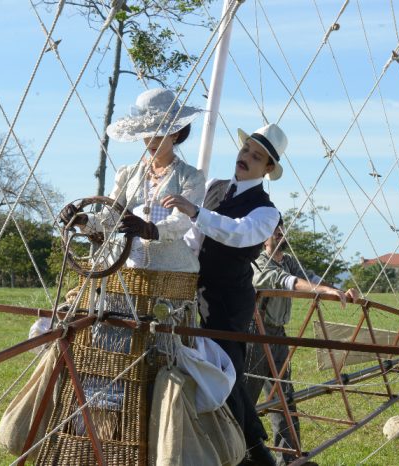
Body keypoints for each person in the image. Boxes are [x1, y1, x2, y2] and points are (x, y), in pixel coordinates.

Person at [55, 87, 206, 436]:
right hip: (128, 274)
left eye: (160, 131)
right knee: (110, 346)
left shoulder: (190, 177)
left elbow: (184, 222)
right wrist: (81, 220)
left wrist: (150, 228)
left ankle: (161, 432)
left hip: (170, 277)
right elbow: (109, 220)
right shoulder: (129, 174)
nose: (150, 139)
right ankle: (106, 428)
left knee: (161, 357)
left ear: (177, 132)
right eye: (145, 132)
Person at [162, 123, 287, 466]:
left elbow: (236, 233)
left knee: (226, 370)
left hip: (230, 300)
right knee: (187, 360)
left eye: (256, 156)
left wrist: (196, 212)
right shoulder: (215, 187)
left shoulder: (266, 210)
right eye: (246, 149)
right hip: (194, 289)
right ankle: (208, 439)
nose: (245, 157)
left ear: (268, 169)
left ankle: (253, 452)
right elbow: (193, 237)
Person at [245, 219, 358, 465]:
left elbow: (311, 277)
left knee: (284, 396)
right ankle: (240, 453)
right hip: (256, 335)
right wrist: (320, 291)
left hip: (278, 334)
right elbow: (287, 282)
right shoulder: (258, 264)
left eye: (282, 228)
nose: (280, 232)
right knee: (247, 398)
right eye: (274, 229)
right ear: (264, 237)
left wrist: (338, 290)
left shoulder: (287, 261)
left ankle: (288, 458)